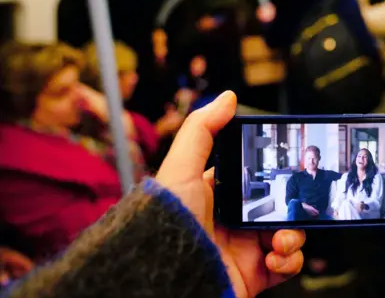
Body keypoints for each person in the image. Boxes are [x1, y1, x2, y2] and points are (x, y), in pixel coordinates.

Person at [1, 91, 306, 298]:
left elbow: (140, 146)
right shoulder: (20, 161)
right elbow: (79, 222)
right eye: (60, 92)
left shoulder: (79, 135)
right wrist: (164, 230)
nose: (78, 99)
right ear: (30, 101)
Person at [0, 43, 144, 262]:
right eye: (61, 93)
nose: (81, 98)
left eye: (78, 85)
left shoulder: (70, 132)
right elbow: (85, 230)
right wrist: (121, 133)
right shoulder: (15, 167)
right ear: (25, 104)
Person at [285, 146, 335, 221]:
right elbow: (288, 200)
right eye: (308, 158)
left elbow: (347, 176)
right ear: (305, 159)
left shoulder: (327, 175)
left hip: (320, 216)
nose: (311, 161)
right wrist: (304, 206)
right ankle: (291, 231)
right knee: (293, 203)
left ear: (319, 158)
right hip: (301, 214)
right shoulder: (295, 178)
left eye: (314, 158)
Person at [331, 148, 384, 220]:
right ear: (355, 159)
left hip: (368, 212)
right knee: (346, 204)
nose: (361, 158)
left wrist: (364, 206)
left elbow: (377, 201)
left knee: (346, 209)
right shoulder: (346, 176)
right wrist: (336, 209)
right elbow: (340, 196)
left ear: (369, 161)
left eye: (365, 157)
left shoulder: (376, 177)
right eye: (359, 156)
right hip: (348, 209)